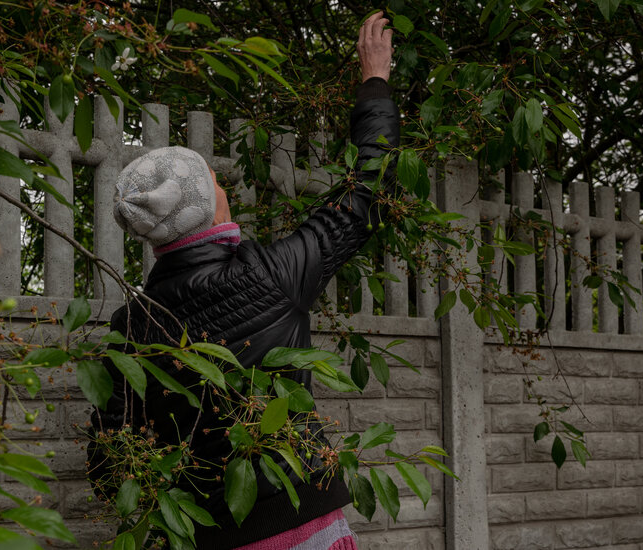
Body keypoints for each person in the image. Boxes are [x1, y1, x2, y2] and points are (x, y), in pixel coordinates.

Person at [88, 12, 397, 550]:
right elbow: (367, 192)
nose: (222, 185)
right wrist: (375, 81)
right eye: (212, 180)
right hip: (305, 527)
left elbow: (110, 462)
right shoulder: (273, 274)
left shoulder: (130, 327)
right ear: (205, 205)